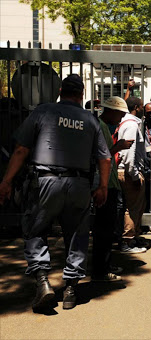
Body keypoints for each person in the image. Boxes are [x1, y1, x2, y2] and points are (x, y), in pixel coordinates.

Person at [0, 74, 111, 311]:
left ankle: (43, 282)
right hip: (79, 185)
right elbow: (105, 157)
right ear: (81, 94)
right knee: (77, 235)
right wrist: (102, 186)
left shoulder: (44, 111)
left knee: (35, 229)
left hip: (45, 182)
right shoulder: (90, 119)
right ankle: (71, 287)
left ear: (60, 90)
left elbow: (21, 150)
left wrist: (7, 180)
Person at [93, 97, 134, 282]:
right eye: (120, 114)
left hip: (108, 183)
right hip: (105, 185)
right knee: (104, 230)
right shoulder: (100, 126)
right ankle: (101, 271)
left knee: (107, 230)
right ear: (110, 111)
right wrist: (118, 147)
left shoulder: (102, 126)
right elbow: (101, 156)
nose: (121, 118)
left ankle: (105, 265)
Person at [116, 96, 149, 253]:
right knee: (132, 208)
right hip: (130, 172)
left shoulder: (128, 123)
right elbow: (129, 153)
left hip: (129, 171)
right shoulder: (131, 125)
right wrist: (135, 175)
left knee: (134, 206)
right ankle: (127, 241)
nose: (143, 109)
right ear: (136, 107)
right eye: (141, 106)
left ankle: (132, 237)